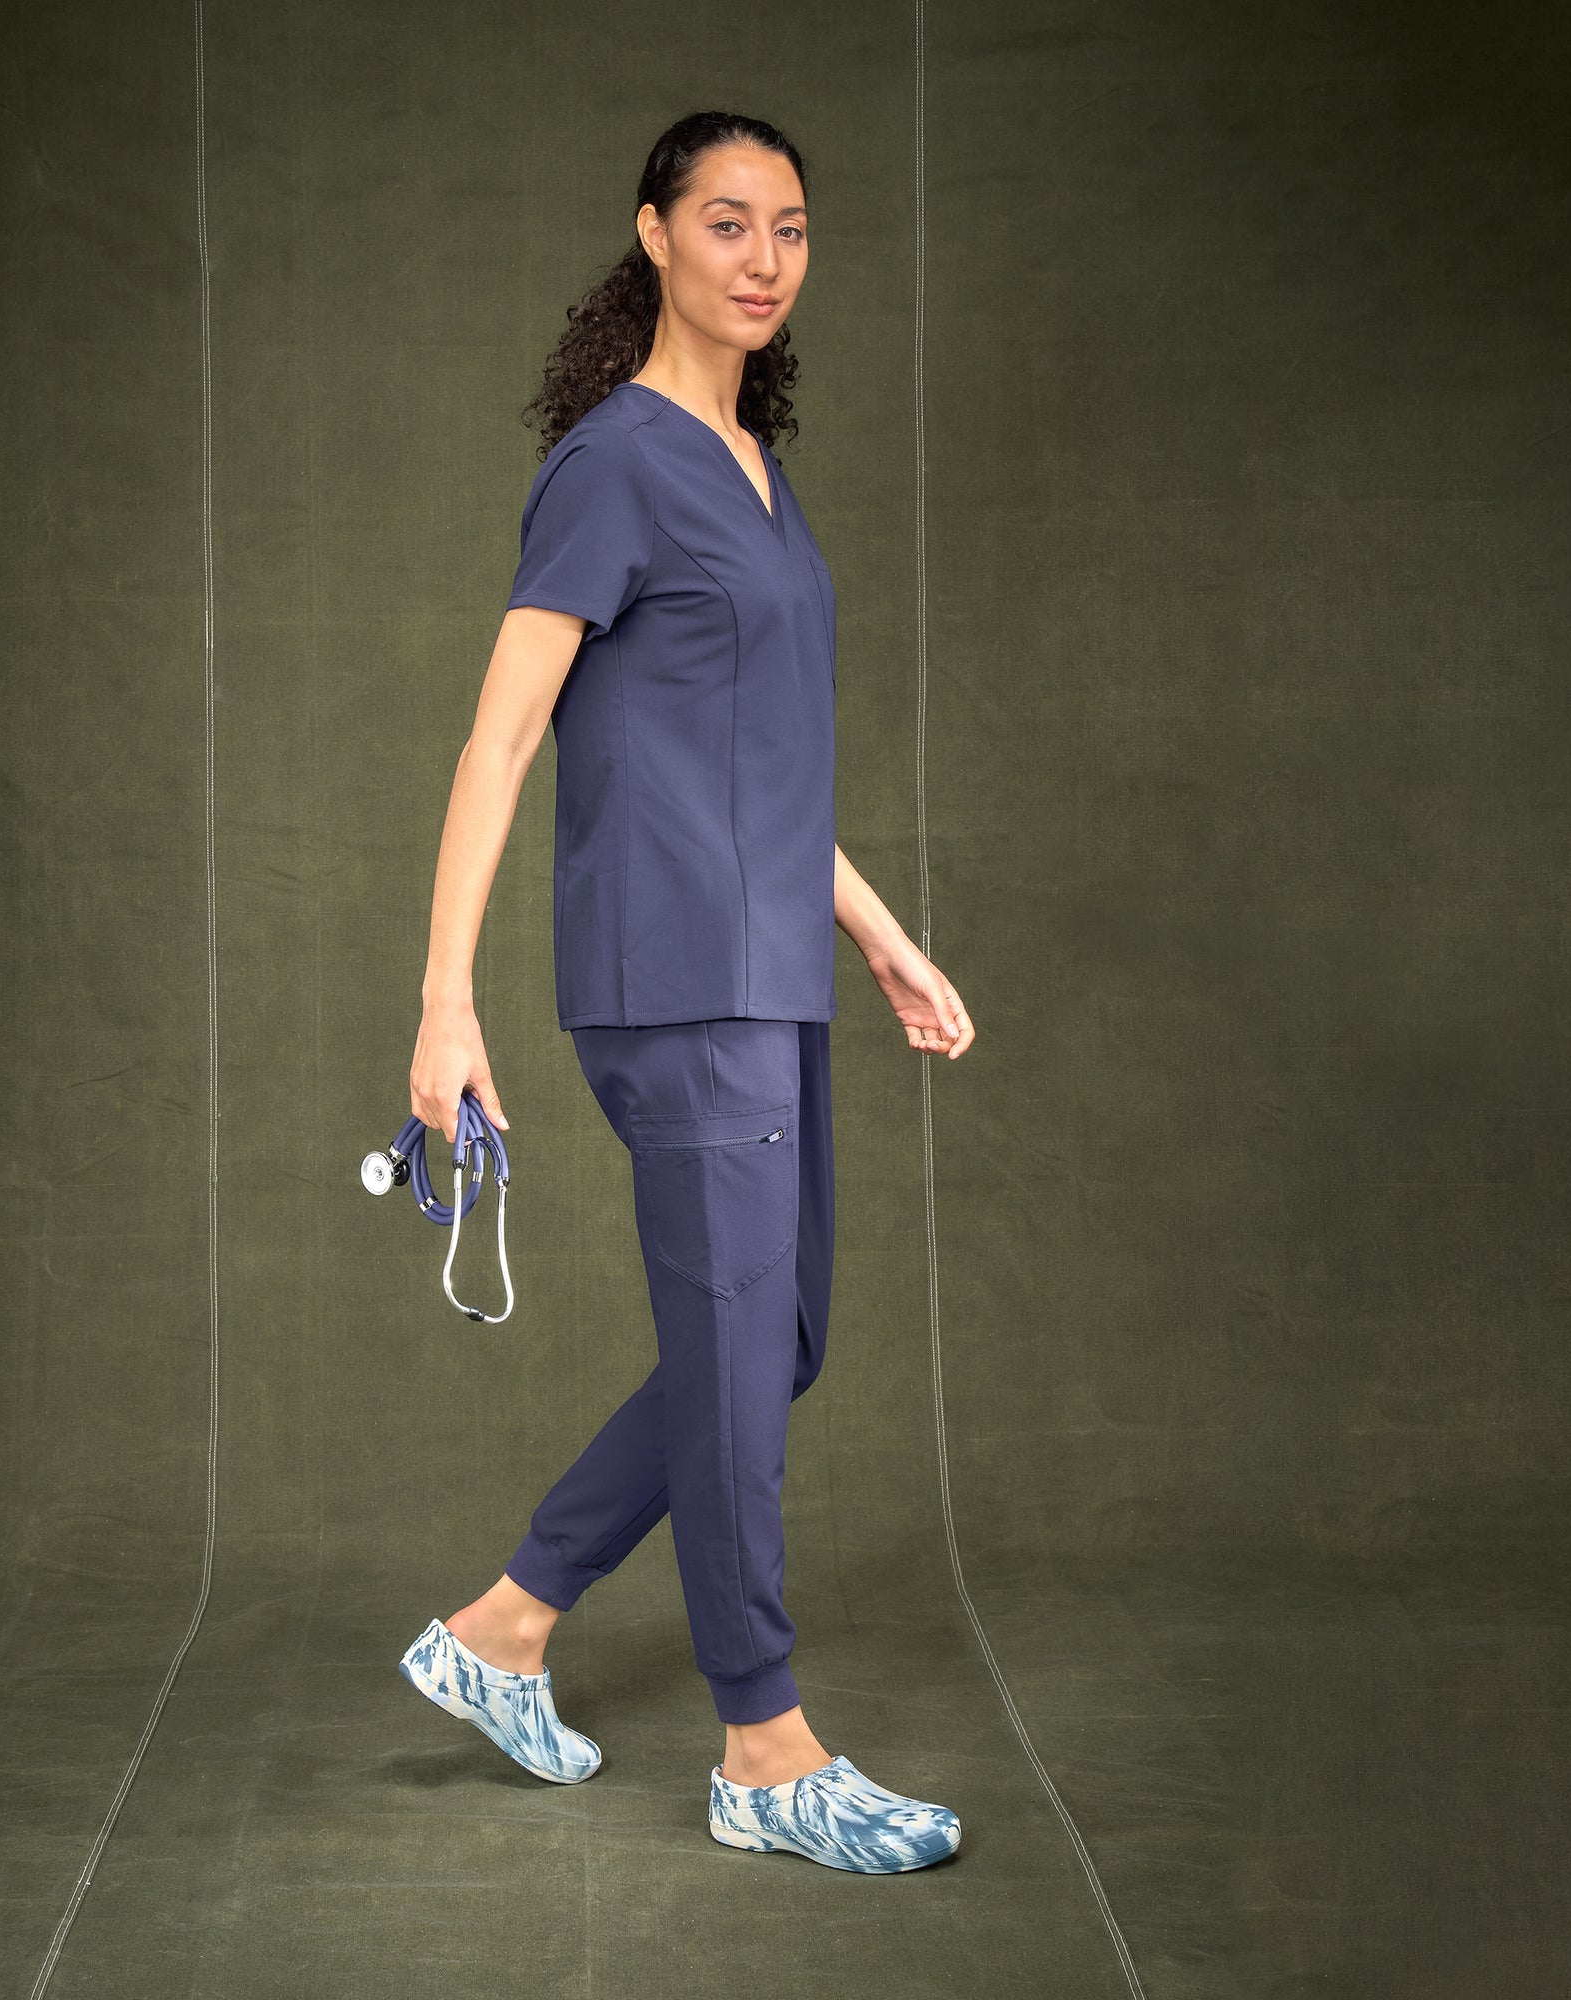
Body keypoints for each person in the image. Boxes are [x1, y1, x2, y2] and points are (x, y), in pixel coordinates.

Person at [395, 110, 975, 1874]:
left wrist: (875, 931)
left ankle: (504, 1625)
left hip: (769, 965)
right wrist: (445, 1002)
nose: (764, 256)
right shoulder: (614, 462)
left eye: (791, 228)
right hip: (667, 975)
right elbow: (501, 739)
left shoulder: (752, 466)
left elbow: (759, 773)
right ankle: (765, 1749)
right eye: (727, 222)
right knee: (737, 1347)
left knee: (774, 1339)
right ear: (654, 237)